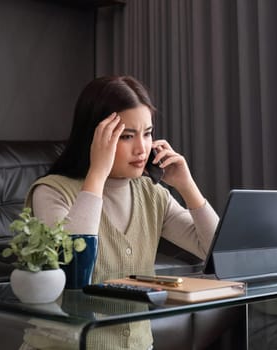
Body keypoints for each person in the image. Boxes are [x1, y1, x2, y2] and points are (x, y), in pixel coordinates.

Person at [23, 75, 219, 349]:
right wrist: (98, 173)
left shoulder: (151, 193)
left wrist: (188, 187)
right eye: (126, 136)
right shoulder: (51, 192)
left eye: (147, 133)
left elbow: (216, 252)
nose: (142, 148)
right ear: (95, 137)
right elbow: (72, 270)